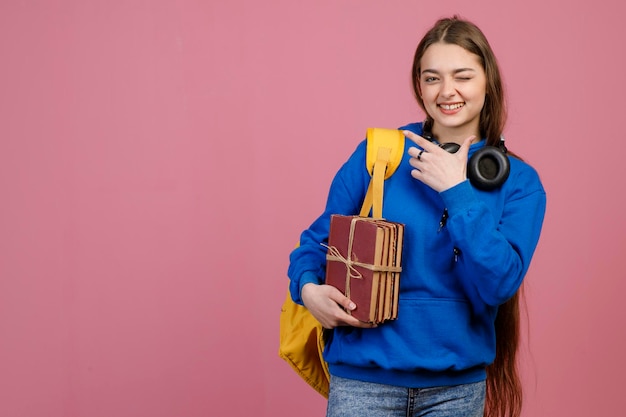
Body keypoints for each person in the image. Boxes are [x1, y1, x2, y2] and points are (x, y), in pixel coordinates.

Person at [287, 16, 546, 417]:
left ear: (487, 82)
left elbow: (499, 284)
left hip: (455, 392)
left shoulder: (519, 183)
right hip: (362, 384)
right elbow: (315, 244)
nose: (447, 92)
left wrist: (456, 192)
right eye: (432, 78)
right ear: (418, 86)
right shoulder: (378, 154)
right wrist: (308, 291)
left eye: (462, 76)